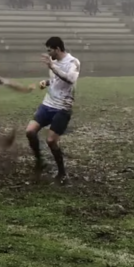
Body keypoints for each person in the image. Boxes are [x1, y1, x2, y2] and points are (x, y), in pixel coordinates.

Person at [25, 37, 80, 184]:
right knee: (30, 131)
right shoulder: (53, 62)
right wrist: (47, 82)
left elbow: (70, 79)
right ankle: (40, 161)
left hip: (63, 106)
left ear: (57, 49)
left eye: (50, 50)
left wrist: (52, 67)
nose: (48, 53)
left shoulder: (73, 62)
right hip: (48, 104)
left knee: (51, 141)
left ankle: (62, 172)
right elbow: (57, 80)